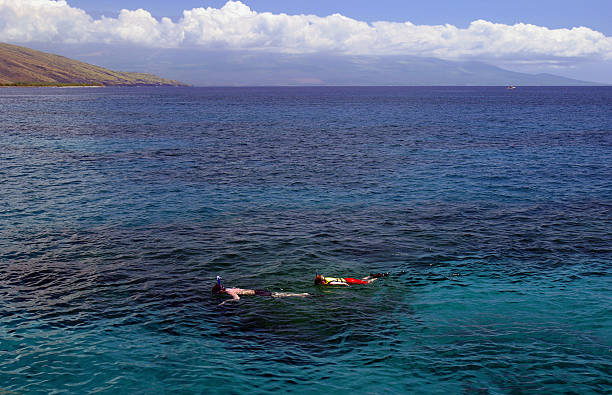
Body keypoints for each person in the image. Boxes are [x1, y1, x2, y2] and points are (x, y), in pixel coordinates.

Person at [212, 276, 310, 306]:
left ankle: (300, 295)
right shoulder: (229, 288)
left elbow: (237, 299)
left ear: (220, 291)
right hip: (256, 291)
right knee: (277, 294)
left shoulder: (229, 292)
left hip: (257, 294)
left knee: (279, 296)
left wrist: (226, 301)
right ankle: (300, 294)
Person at [314, 272, 389, 286]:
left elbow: (342, 283)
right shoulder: (325, 278)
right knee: (361, 280)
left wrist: (347, 286)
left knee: (367, 283)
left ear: (322, 282)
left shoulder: (330, 283)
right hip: (347, 278)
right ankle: (370, 276)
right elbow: (319, 276)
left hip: (349, 281)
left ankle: (377, 277)